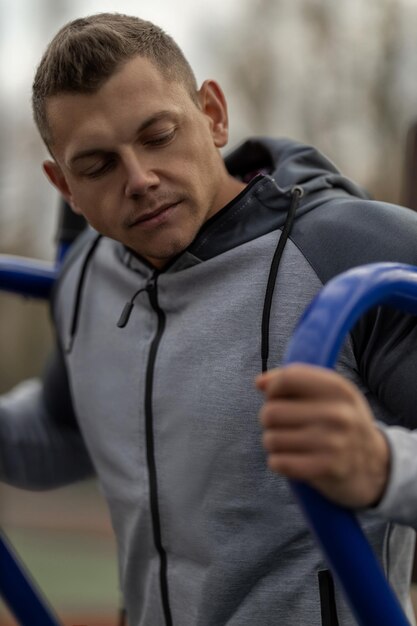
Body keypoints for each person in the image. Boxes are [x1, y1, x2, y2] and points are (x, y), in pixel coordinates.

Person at [1, 12, 417, 626]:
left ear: (214, 114)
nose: (139, 178)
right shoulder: (87, 273)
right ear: (64, 186)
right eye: (98, 166)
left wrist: (383, 467)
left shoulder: (355, 251)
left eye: (158, 135)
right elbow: (67, 435)